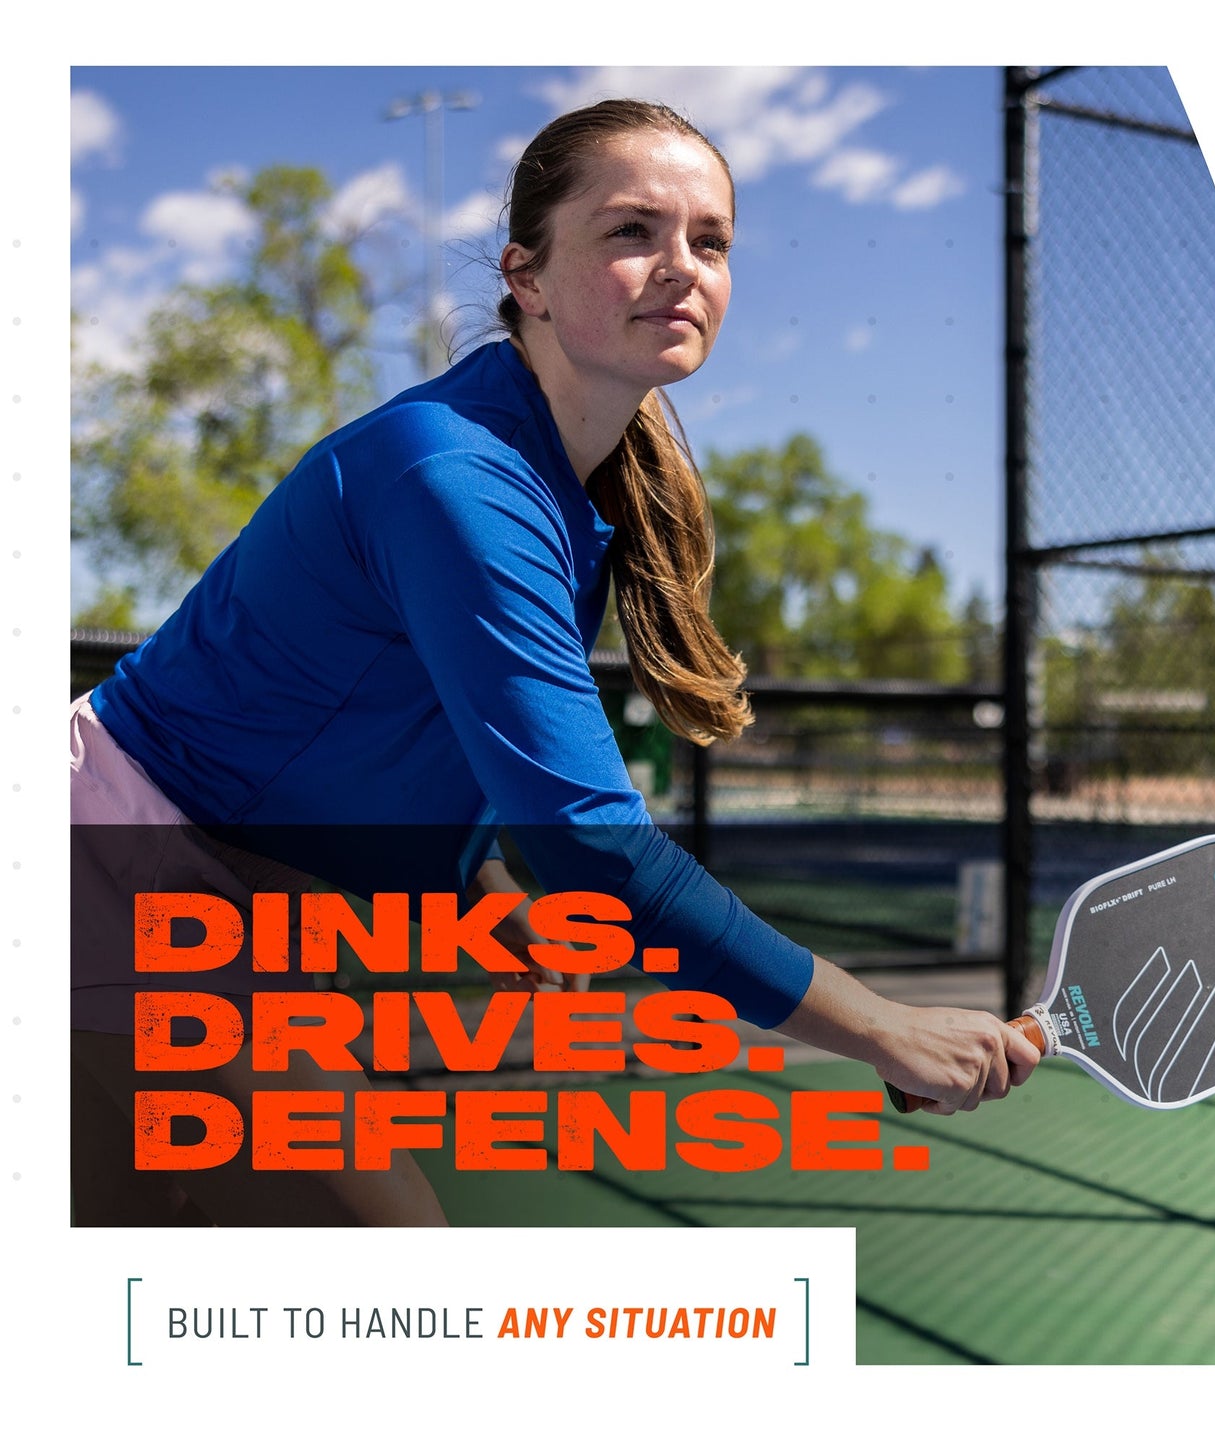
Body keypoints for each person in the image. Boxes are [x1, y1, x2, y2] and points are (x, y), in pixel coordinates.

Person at [70, 98, 1039, 1226]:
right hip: (119, 876)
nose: (680, 266)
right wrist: (878, 1023)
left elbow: (418, 730)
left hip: (225, 911)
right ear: (525, 276)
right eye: (631, 231)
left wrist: (483, 887)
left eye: (709, 240)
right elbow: (592, 844)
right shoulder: (456, 476)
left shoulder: (560, 486)